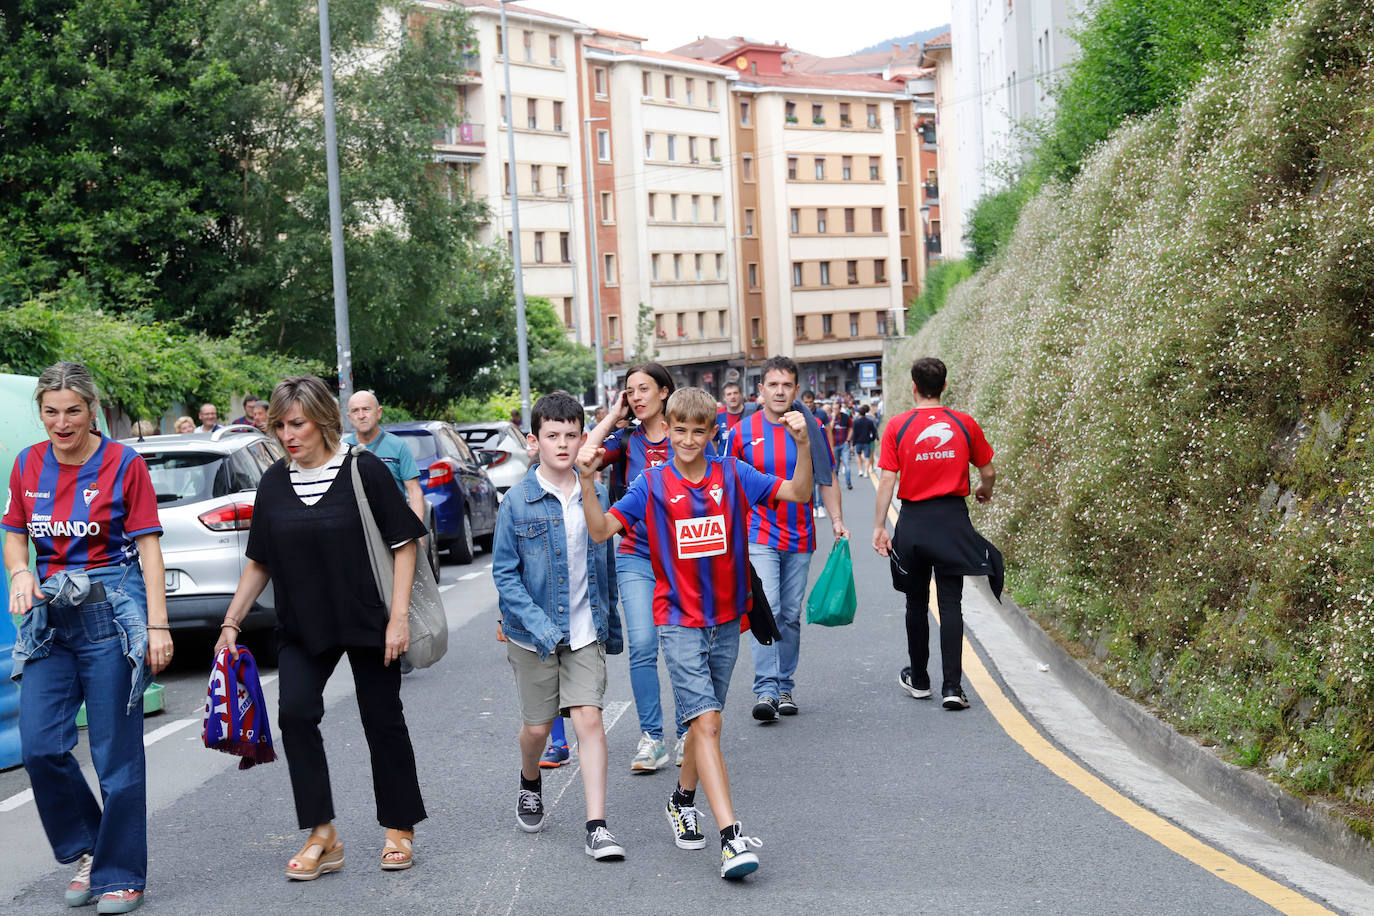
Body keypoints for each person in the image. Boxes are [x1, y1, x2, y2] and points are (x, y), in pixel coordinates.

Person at [577, 387, 812, 880]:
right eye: (678, 430)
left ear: (711, 434)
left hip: (727, 619)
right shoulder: (651, 482)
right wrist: (586, 478)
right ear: (669, 430)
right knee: (704, 725)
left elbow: (797, 493)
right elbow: (601, 531)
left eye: (696, 431)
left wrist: (805, 446)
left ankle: (682, 799)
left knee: (706, 725)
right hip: (678, 621)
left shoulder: (733, 473)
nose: (686, 439)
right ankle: (731, 839)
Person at [214, 376, 428, 879]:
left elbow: (404, 543)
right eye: (280, 426)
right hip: (302, 624)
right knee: (295, 714)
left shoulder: (363, 469)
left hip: (367, 618)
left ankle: (399, 827)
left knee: (382, 720)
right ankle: (322, 833)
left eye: (297, 423)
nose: (288, 435)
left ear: (323, 421)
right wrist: (231, 621)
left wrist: (398, 618)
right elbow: (259, 561)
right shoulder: (273, 482)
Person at [4, 361, 170, 914]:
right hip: (50, 619)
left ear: (92, 409)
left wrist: (157, 625)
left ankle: (121, 874)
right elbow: (14, 533)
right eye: (51, 411)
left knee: (115, 757)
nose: (61, 422)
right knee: (40, 745)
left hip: (112, 616)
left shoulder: (124, 463)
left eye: (73, 410)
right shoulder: (27, 464)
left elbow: (148, 548)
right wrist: (20, 573)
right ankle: (88, 851)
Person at [492, 392, 626, 861]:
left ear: (583, 438)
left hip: (585, 629)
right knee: (537, 728)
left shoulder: (597, 492)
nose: (563, 444)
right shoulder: (516, 502)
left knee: (589, 719)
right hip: (533, 636)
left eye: (572, 435)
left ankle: (597, 826)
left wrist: (610, 622)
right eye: (553, 436)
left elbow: (604, 561)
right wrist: (530, 623)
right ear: (535, 441)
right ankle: (531, 778)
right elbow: (505, 575)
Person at [872, 357, 1001, 711]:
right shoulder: (963, 424)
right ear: (944, 386)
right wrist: (984, 491)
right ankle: (953, 688)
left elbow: (886, 479)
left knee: (915, 601)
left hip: (913, 522)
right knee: (950, 603)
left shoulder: (898, 426)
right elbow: (987, 471)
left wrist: (880, 526)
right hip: (952, 520)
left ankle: (919, 678)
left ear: (913, 387)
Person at [582, 363, 688, 771]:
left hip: (682, 558)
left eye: (644, 389)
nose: (637, 396)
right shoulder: (625, 441)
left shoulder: (686, 435)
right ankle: (652, 738)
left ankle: (686, 732)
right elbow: (583, 457)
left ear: (665, 392)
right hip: (635, 554)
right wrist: (612, 415)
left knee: (680, 647)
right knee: (643, 645)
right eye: (630, 391)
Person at [729, 357, 848, 722]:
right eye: (773, 385)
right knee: (770, 607)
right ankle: (766, 688)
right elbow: (727, 485)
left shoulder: (809, 428)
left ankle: (785, 685)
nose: (780, 391)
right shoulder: (742, 432)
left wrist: (838, 521)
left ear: (796, 390)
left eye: (786, 385)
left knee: (791, 614)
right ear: (761, 390)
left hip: (800, 534)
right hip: (758, 534)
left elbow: (825, 478)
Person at [344, 391, 424, 521]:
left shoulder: (398, 446)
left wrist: (418, 532)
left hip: (395, 523)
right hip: (357, 528)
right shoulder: (342, 449)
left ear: (379, 412)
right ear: (349, 417)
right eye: (355, 411)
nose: (361, 415)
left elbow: (414, 492)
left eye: (366, 409)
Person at [712, 381, 750, 453]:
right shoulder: (718, 417)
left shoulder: (750, 414)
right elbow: (714, 443)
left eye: (735, 393)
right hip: (725, 462)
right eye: (729, 394)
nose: (733, 397)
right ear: (724, 397)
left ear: (741, 394)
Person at [830, 403, 854, 490]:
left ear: (840, 409)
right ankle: (836, 485)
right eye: (833, 409)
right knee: (835, 466)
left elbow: (851, 428)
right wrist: (833, 418)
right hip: (834, 445)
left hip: (844, 444)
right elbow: (829, 429)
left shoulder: (846, 417)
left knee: (847, 464)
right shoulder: (830, 417)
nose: (835, 411)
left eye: (836, 409)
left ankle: (848, 483)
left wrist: (848, 440)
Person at [852, 404, 878, 478]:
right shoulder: (869, 421)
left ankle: (860, 470)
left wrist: (853, 443)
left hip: (858, 442)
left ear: (859, 413)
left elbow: (854, 433)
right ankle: (866, 472)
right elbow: (873, 431)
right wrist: (871, 439)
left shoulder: (855, 422)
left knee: (858, 455)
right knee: (867, 457)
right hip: (867, 441)